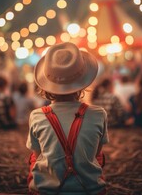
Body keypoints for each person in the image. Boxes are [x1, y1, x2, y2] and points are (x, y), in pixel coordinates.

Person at [26, 42, 109, 195]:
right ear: (83, 82)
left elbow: (38, 156)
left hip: (46, 191)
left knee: (33, 158)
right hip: (90, 190)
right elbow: (96, 153)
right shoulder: (99, 114)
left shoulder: (36, 116)